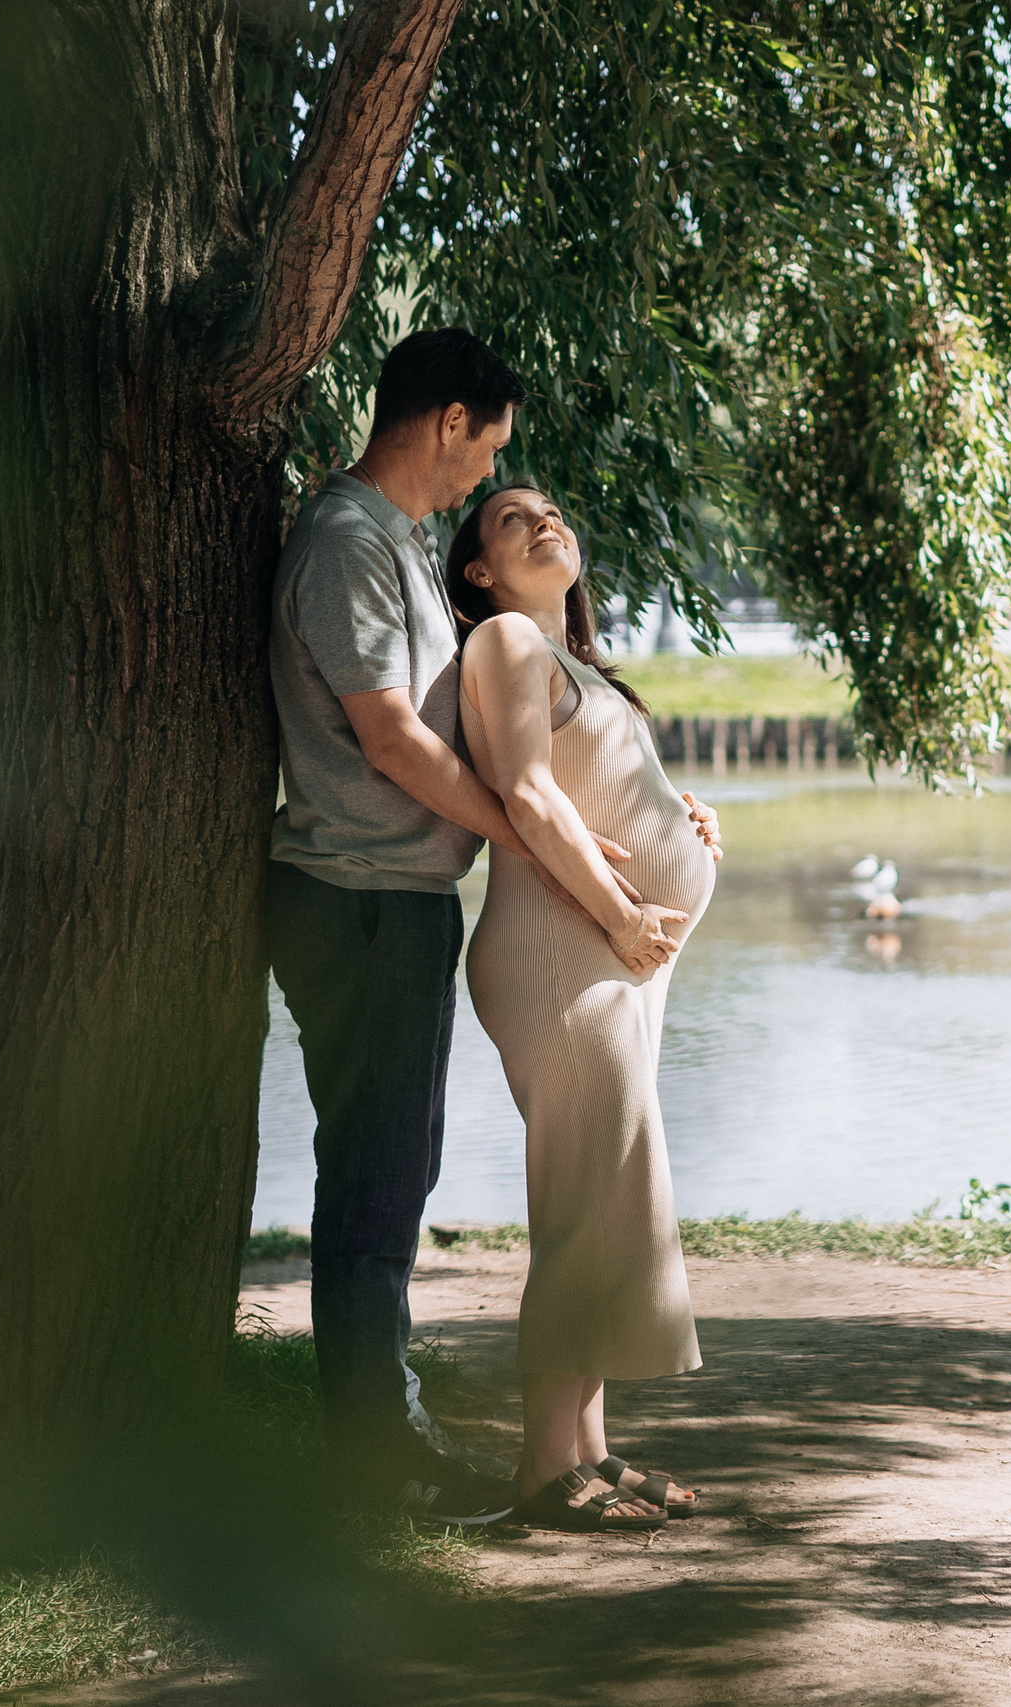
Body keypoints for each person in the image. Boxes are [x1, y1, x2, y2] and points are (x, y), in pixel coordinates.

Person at [263, 328, 716, 1526]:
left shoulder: (402, 550)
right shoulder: (351, 541)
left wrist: (654, 819)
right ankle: (378, 1456)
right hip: (358, 897)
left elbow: (520, 755)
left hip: (401, 897)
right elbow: (397, 741)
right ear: (450, 420)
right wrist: (556, 858)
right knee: (374, 1186)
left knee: (398, 1178)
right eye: (494, 457)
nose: (489, 481)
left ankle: (452, 1439)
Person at [450, 482, 718, 1533]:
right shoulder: (508, 641)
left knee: (607, 1204)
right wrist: (620, 912)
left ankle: (588, 1457)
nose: (541, 522)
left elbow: (594, 787)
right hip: (566, 953)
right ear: (479, 572)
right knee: (581, 1211)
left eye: (550, 510)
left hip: (614, 954)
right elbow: (524, 792)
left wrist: (683, 829)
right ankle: (539, 1474)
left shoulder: (571, 662)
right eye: (510, 520)